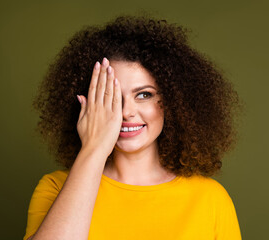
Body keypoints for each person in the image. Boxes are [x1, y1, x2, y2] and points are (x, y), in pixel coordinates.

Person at [23, 15, 242, 240]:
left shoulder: (210, 199)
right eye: (112, 97)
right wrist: (94, 147)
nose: (126, 111)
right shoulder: (55, 187)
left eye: (144, 95)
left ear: (172, 103)